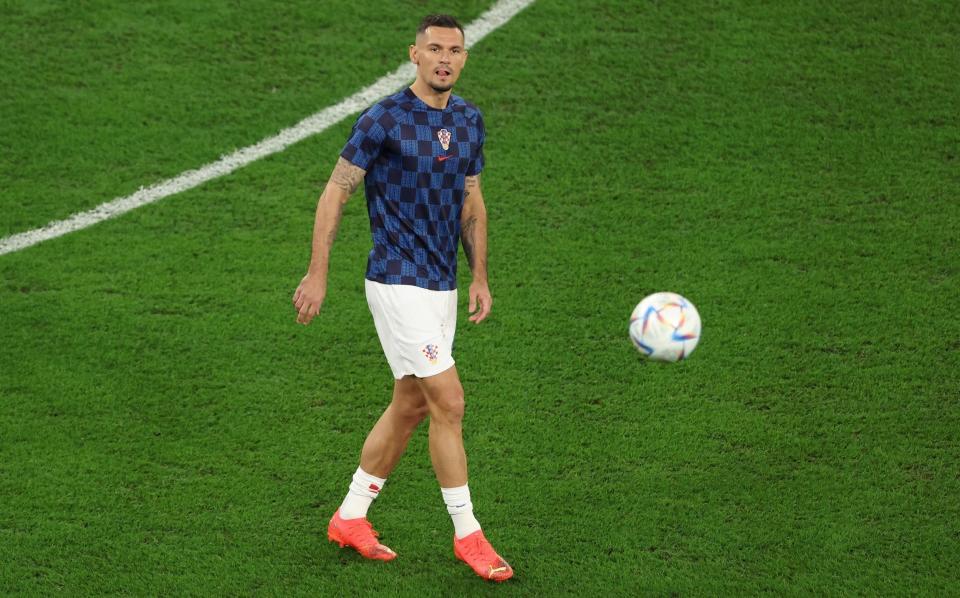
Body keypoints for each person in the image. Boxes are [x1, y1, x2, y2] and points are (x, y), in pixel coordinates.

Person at [291, 14, 512, 582]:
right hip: (395, 279)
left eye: (455, 50)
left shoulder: (468, 121)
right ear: (413, 54)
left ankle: (350, 517)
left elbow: (472, 201)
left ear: (464, 58)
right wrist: (319, 273)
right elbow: (336, 191)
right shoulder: (384, 118)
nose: (445, 58)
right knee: (450, 402)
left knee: (412, 404)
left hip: (441, 285)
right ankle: (469, 535)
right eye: (434, 48)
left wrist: (479, 276)